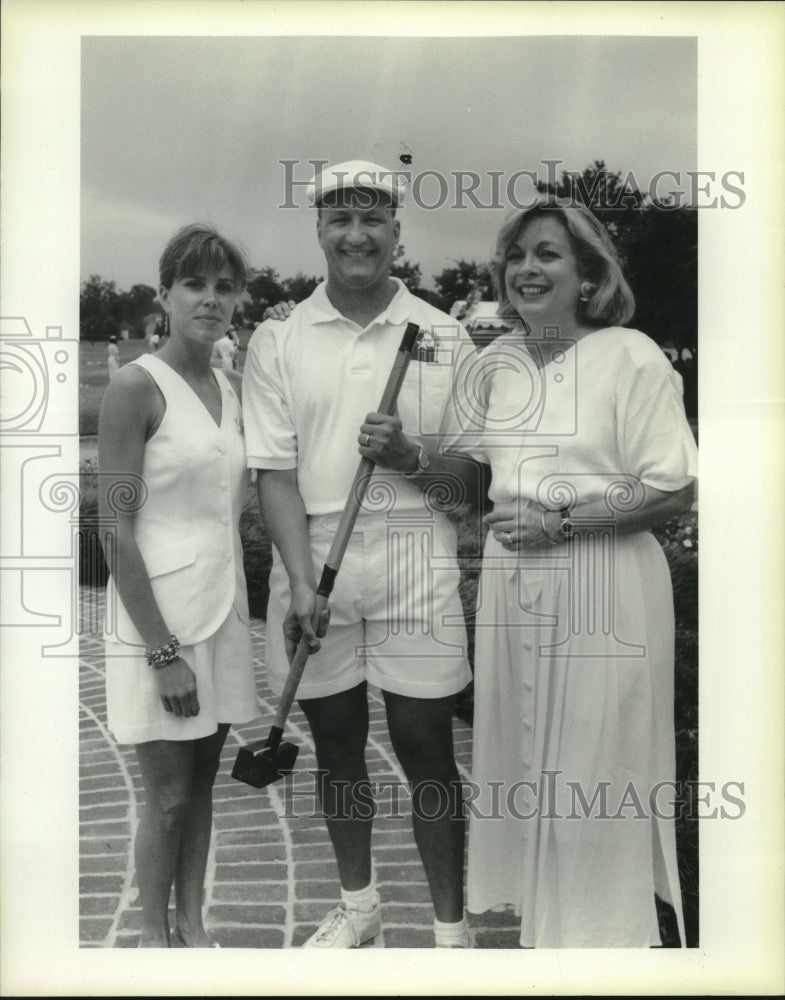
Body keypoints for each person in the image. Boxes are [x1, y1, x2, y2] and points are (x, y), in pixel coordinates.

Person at [242, 159, 484, 949]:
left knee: (427, 751)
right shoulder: (278, 339)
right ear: (318, 230)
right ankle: (360, 908)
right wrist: (301, 582)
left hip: (416, 550)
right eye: (340, 219)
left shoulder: (443, 335)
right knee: (338, 747)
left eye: (372, 219)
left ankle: (451, 937)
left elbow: (473, 487)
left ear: (396, 231)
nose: (357, 234)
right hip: (313, 556)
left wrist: (411, 455)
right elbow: (271, 473)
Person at [462, 200, 697, 948]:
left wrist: (560, 523)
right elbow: (476, 480)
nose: (527, 269)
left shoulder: (630, 355)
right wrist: (404, 456)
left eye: (548, 255)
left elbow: (672, 486)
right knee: (527, 768)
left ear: (589, 276)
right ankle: (545, 943)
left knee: (596, 773)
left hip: (602, 587)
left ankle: (606, 948)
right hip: (512, 585)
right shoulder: (495, 362)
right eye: (516, 256)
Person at [98, 223, 259, 948]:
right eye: (195, 283)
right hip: (157, 627)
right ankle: (152, 942)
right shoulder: (136, 386)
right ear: (165, 293)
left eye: (225, 286)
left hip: (222, 619)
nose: (210, 298)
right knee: (164, 799)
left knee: (199, 792)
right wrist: (161, 652)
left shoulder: (227, 386)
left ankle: (193, 926)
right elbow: (115, 531)